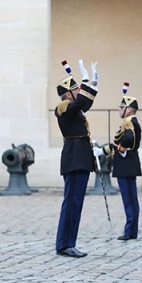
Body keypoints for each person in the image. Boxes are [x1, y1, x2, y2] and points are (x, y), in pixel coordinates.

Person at [54, 59, 98, 258]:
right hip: (73, 159)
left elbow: (84, 103)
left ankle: (69, 242)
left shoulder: (74, 109)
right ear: (68, 93)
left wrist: (93, 85)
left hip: (80, 158)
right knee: (71, 202)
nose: (79, 92)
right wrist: (86, 82)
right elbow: (80, 102)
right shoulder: (63, 108)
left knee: (76, 203)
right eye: (76, 90)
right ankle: (64, 244)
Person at [109, 82, 142, 241]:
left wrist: (120, 148)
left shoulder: (129, 122)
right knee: (130, 199)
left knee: (129, 199)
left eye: (121, 108)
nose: (119, 110)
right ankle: (131, 230)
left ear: (128, 109)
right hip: (128, 164)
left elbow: (129, 138)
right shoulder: (130, 122)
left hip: (126, 163)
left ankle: (129, 231)